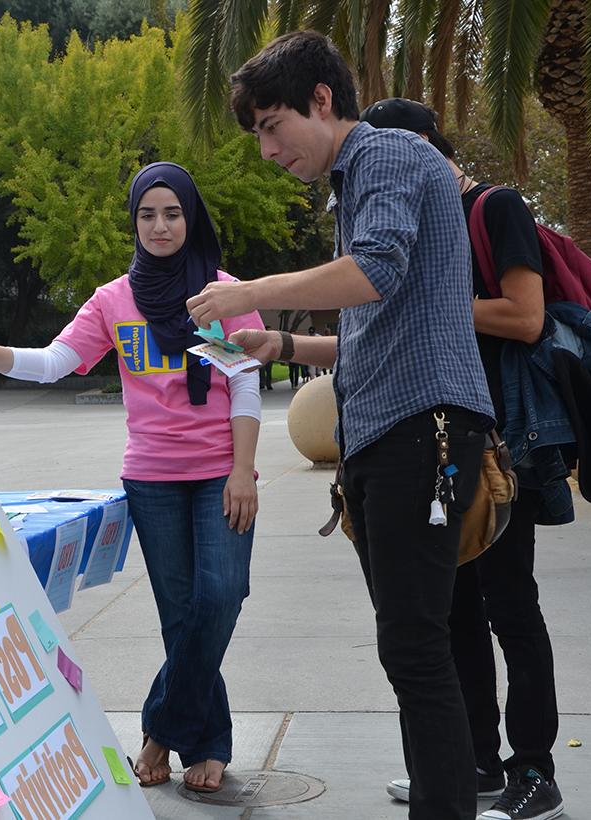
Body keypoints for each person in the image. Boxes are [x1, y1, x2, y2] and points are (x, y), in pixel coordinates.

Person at [186, 32, 495, 820]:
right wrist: (280, 343)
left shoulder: (386, 154)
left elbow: (376, 270)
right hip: (394, 435)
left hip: (419, 434)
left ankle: (446, 805)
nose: (264, 148)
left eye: (269, 123)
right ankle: (441, 796)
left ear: (322, 99)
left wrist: (250, 289)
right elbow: (378, 320)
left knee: (415, 646)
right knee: (415, 643)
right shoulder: (360, 179)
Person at [0, 162, 263, 794]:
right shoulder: (116, 300)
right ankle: (208, 743)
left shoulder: (220, 294)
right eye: (148, 214)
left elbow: (244, 382)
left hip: (220, 473)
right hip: (153, 478)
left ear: (190, 218)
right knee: (181, 615)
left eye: (172, 213)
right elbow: (56, 361)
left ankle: (159, 730)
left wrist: (243, 470)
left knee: (222, 597)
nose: (161, 225)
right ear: (134, 222)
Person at [362, 97, 565, 820]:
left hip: (506, 445)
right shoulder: (413, 227)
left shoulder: (495, 207)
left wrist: (430, 297)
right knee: (449, 612)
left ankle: (535, 768)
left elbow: (527, 314)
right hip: (439, 446)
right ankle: (475, 761)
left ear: (423, 150)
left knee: (511, 605)